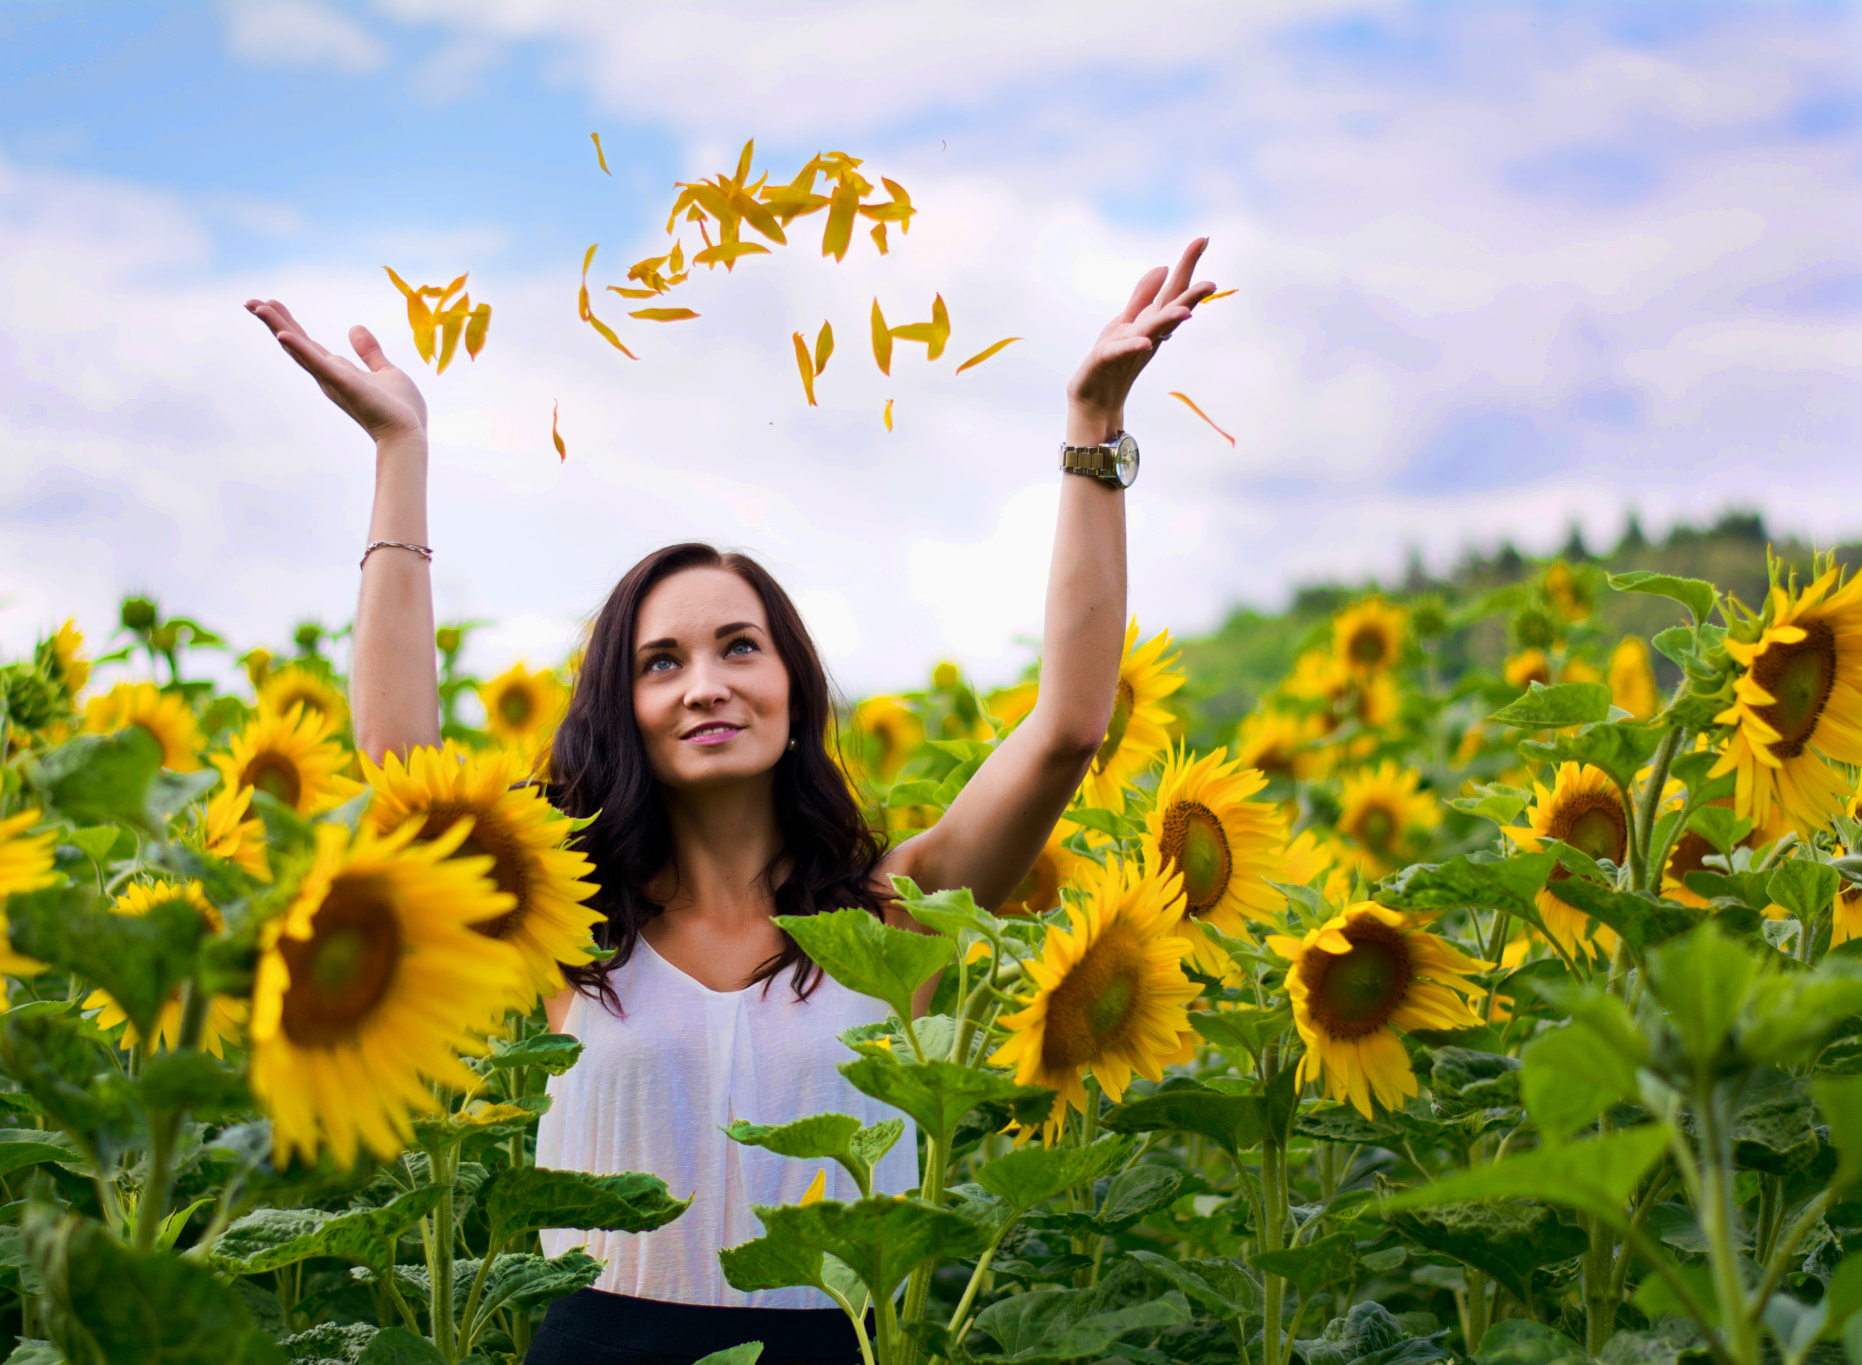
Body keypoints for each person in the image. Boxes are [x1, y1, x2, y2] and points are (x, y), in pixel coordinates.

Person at [244, 236, 1216, 1365]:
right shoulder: (573, 919)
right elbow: (397, 758)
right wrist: (398, 449)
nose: (703, 683)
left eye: (737, 647)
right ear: (624, 706)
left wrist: (1090, 426)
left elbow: (1067, 729)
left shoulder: (892, 915)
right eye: (660, 661)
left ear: (791, 685)